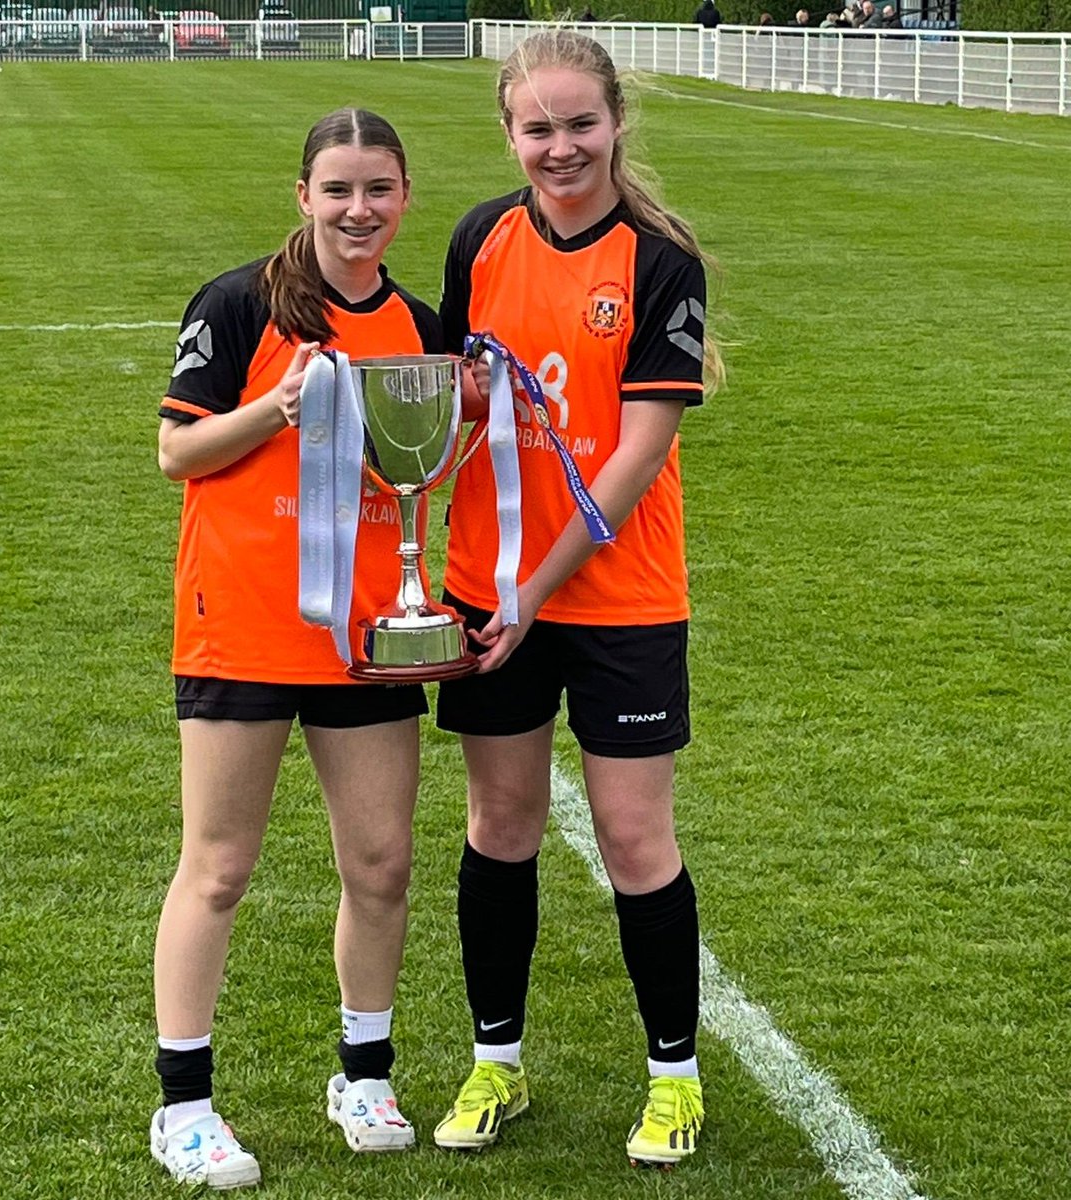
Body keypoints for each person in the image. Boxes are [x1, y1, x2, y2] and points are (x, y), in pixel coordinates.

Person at [431, 28, 722, 1169]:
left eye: (579, 124)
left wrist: (533, 587)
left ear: (616, 123)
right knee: (499, 827)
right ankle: (495, 1060)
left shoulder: (658, 258)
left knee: (634, 835)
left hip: (619, 597)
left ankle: (675, 1081)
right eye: (537, 127)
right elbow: (460, 402)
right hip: (483, 588)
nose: (560, 147)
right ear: (508, 131)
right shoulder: (480, 238)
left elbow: (635, 455)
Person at [150, 107, 442, 1188]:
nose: (358, 211)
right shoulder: (240, 304)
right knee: (219, 867)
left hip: (367, 634)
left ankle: (364, 1071)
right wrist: (275, 409)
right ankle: (184, 1106)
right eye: (338, 191)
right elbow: (176, 451)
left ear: (404, 198)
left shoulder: (419, 323)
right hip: (245, 621)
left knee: (381, 865)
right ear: (303, 197)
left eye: (378, 191)